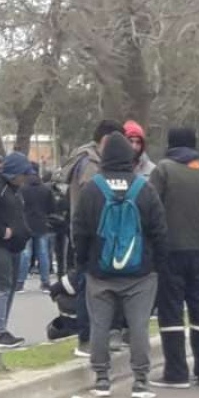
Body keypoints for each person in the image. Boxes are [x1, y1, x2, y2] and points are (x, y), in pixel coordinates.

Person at [72, 132, 168, 398]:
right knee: (138, 327)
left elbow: (79, 231)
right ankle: (140, 381)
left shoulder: (93, 189)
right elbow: (159, 231)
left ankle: (102, 378)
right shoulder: (144, 189)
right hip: (140, 273)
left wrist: (83, 263)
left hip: (100, 272)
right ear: (130, 157)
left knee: (100, 326)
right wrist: (158, 265)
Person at [148, 127, 199, 389]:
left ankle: (176, 372)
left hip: (171, 250)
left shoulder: (163, 169)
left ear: (171, 144)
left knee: (172, 312)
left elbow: (152, 208)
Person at [58, 119, 124, 357]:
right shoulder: (90, 164)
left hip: (94, 233)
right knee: (88, 286)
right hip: (91, 233)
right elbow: (94, 200)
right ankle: (86, 339)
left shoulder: (92, 161)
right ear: (105, 140)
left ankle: (99, 335)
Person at [0, 151, 32, 348]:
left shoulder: (13, 189)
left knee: (8, 287)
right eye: (23, 174)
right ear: (14, 172)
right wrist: (2, 231)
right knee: (1, 287)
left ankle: (3, 328)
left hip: (13, 245)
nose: (25, 178)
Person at [18, 164, 54, 293]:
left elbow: (18, 207)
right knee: (43, 253)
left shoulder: (22, 189)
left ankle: (20, 283)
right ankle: (45, 283)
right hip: (42, 224)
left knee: (25, 253)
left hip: (26, 224)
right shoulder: (45, 189)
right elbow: (51, 208)